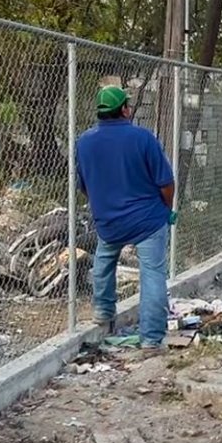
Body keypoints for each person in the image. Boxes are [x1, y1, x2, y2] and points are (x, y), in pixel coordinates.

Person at [75, 86, 176, 352]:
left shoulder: (84, 142)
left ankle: (103, 310)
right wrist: (166, 210)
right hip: (147, 220)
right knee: (152, 273)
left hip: (109, 221)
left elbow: (84, 185)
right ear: (124, 109)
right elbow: (166, 183)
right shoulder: (143, 138)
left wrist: (104, 204)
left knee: (104, 260)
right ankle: (151, 339)